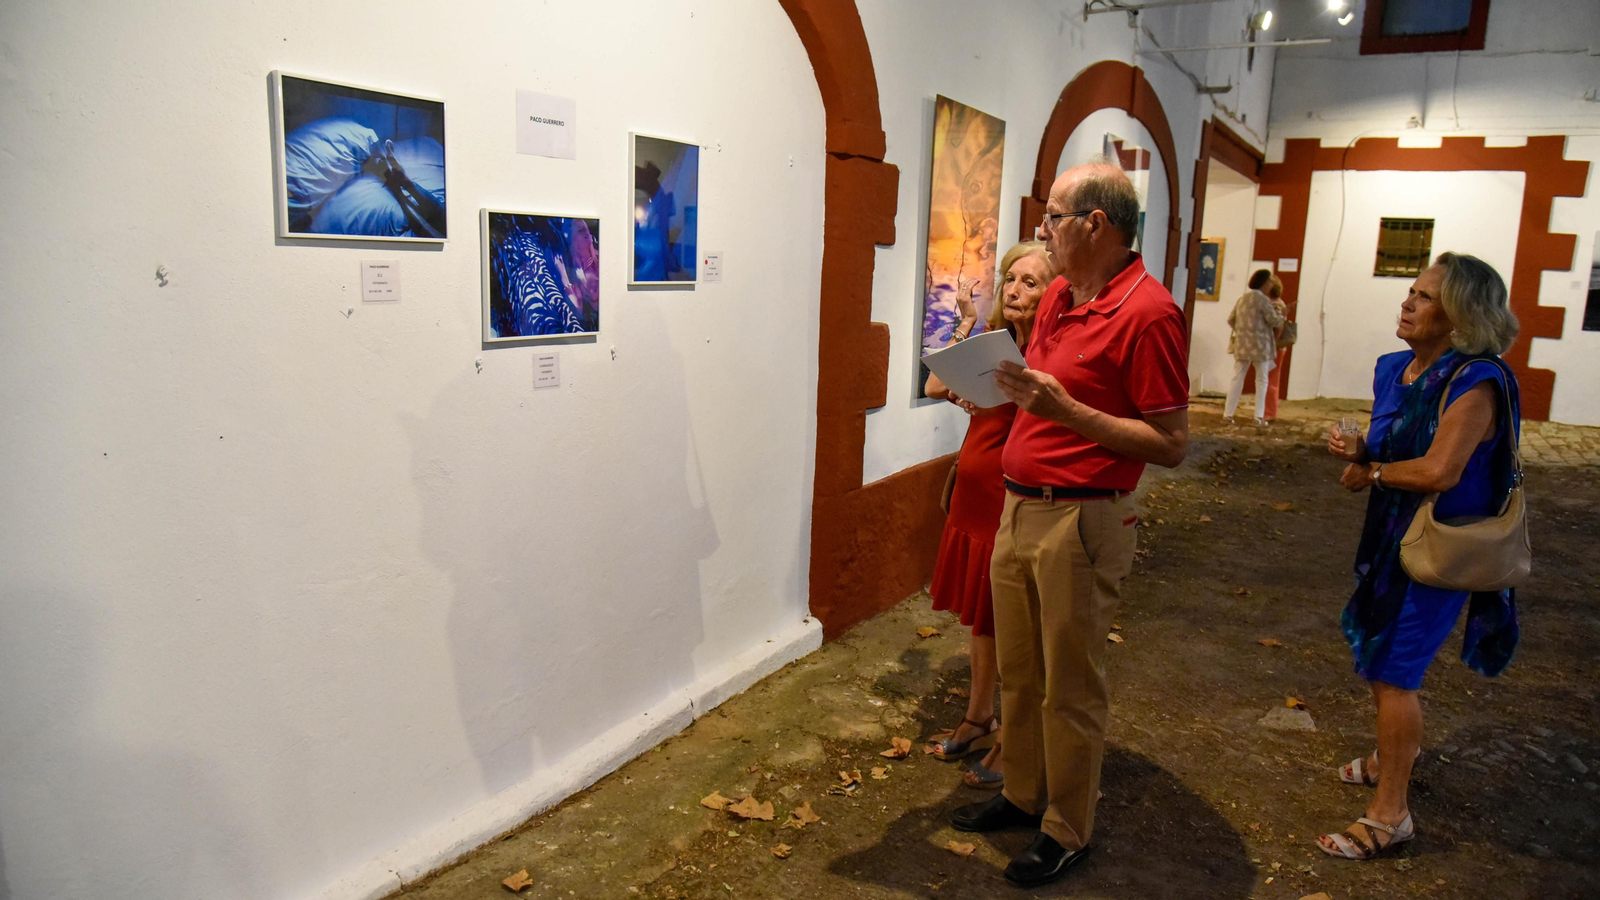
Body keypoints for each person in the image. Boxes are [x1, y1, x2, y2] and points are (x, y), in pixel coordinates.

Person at [948, 160, 1190, 888]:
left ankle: (1068, 826)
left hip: (1081, 519)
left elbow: (1172, 443)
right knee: (1020, 673)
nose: (1041, 229)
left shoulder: (1149, 314)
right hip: (1017, 506)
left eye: (1053, 216)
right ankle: (1024, 793)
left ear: (1097, 225)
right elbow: (1034, 390)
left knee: (1071, 684)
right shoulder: (1058, 294)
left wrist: (1068, 414)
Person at [1320, 252, 1522, 860]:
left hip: (1437, 547)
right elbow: (1391, 441)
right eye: (1410, 291)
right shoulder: (1397, 370)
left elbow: (1440, 468)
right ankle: (1390, 758)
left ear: (1462, 315)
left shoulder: (1475, 380)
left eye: (1426, 297)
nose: (1408, 303)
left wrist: (1373, 471)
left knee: (1394, 672)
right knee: (1378, 654)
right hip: (1389, 537)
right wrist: (1360, 446)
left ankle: (1391, 815)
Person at [924, 241, 1052, 790]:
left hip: (1012, 501)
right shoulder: (996, 347)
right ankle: (980, 717)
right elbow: (934, 383)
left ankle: (1013, 739)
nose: (1018, 291)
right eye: (1011, 281)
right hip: (974, 500)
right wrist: (968, 329)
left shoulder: (1047, 355)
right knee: (982, 621)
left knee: (1016, 627)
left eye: (1031, 282)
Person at [1224, 269, 1285, 425]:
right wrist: (1283, 315)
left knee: (1237, 378)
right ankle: (1258, 416)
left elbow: (1231, 319)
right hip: (1260, 346)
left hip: (1242, 345)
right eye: (1270, 281)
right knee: (1261, 380)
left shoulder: (1242, 299)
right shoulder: (1263, 300)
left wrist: (1243, 330)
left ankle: (1228, 413)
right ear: (1265, 283)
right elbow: (1274, 321)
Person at [1262, 275, 1293, 421]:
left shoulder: (1275, 304)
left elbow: (1278, 327)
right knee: (1269, 378)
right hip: (1276, 347)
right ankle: (1267, 411)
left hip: (1274, 347)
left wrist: (1272, 344)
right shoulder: (1277, 303)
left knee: (1270, 379)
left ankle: (1269, 412)